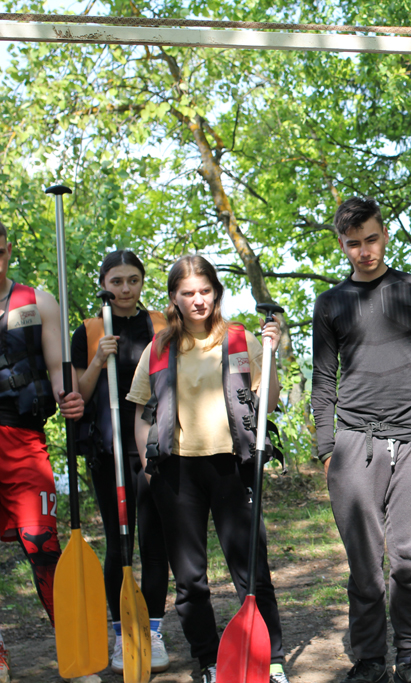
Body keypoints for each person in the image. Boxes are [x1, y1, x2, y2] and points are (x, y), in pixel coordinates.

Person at [126, 255, 289, 683]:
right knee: (190, 580)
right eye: (188, 293)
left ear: (216, 293)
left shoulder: (240, 339)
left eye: (204, 291)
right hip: (176, 473)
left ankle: (270, 660)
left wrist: (272, 353)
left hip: (232, 467)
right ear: (174, 298)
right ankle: (209, 661)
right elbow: (142, 413)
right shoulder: (159, 347)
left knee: (252, 571)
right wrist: (149, 467)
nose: (198, 300)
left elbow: (269, 401)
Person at [311, 197, 411, 683]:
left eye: (372, 239)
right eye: (354, 243)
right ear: (342, 245)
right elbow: (323, 380)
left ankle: (410, 658)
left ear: (385, 235)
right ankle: (370, 661)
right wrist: (326, 447)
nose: (365, 251)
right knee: (365, 566)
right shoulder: (331, 303)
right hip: (355, 444)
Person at [0, 219, 97, 683]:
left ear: (7, 250)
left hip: (22, 439)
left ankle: (74, 652)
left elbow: (59, 370)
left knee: (42, 544)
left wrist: (68, 394)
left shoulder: (38, 302)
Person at [71, 250, 172, 674]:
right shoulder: (90, 330)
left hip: (153, 448)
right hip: (108, 450)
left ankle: (153, 631)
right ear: (104, 285)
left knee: (155, 541)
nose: (125, 289)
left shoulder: (161, 325)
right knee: (118, 543)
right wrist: (99, 358)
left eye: (133, 280)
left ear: (142, 282)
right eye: (117, 281)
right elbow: (77, 395)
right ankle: (120, 634)